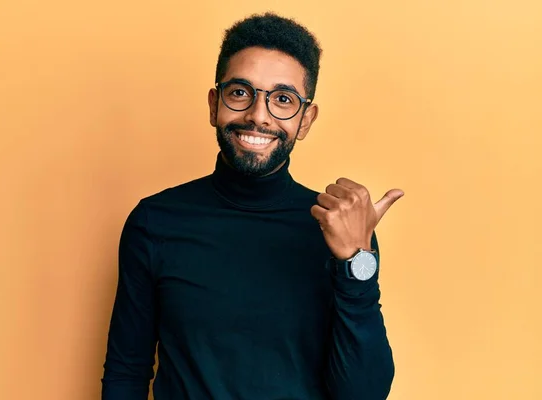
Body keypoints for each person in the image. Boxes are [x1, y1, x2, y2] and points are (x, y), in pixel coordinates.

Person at [101, 12, 403, 400]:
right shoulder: (155, 222)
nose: (258, 116)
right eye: (241, 92)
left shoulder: (340, 229)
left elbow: (363, 394)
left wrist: (357, 261)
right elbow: (127, 371)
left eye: (283, 99)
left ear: (305, 120)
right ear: (214, 104)